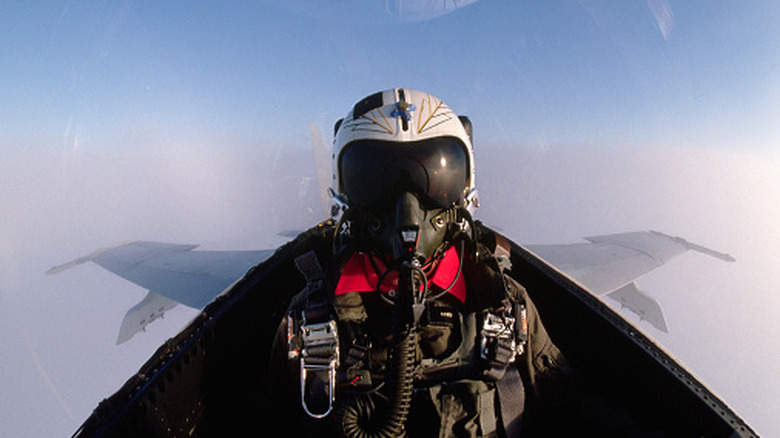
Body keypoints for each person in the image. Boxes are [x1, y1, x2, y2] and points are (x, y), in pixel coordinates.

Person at [264, 88, 576, 437]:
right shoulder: (309, 322)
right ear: (345, 195)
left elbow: (570, 412)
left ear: (464, 191)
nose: (408, 211)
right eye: (373, 181)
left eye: (436, 182)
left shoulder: (504, 305)